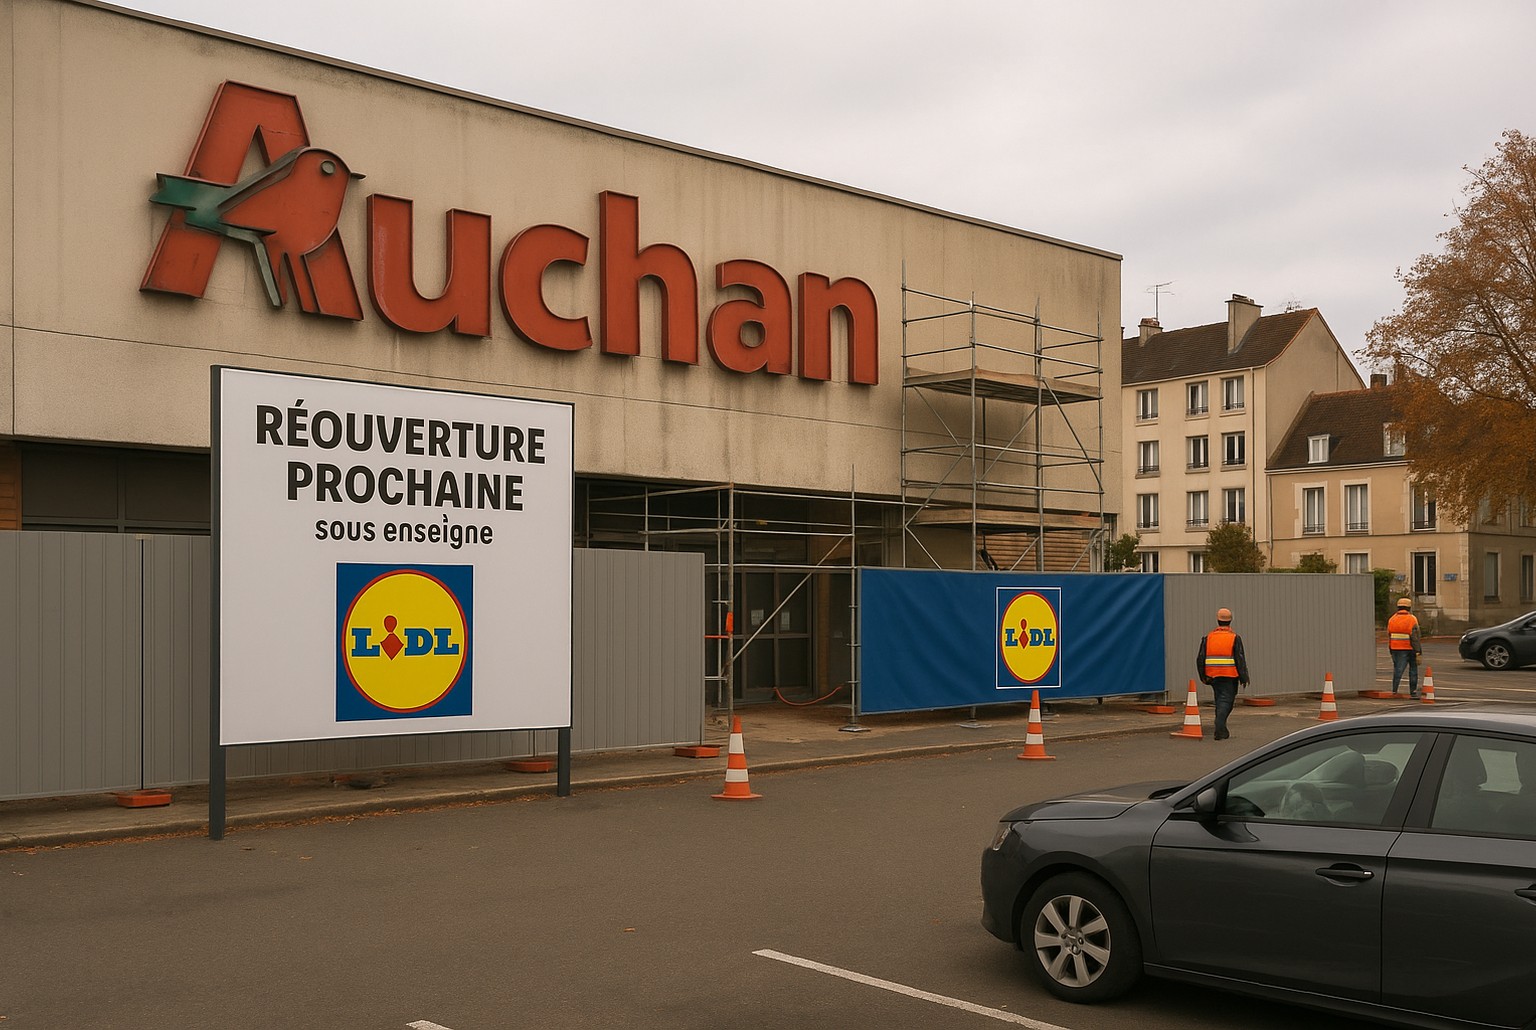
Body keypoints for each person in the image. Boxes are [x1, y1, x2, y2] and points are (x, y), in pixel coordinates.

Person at [1197, 607, 1250, 740]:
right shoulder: (1234, 638)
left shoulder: (1208, 637)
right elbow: (1240, 658)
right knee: (1226, 701)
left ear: (1217, 620)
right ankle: (1220, 726)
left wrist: (1203, 676)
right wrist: (1244, 677)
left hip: (1213, 675)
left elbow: (1200, 658)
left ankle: (1220, 730)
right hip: (1229, 675)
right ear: (1230, 621)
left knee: (1219, 700)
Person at [1387, 596, 1422, 698]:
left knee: (1398, 670)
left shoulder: (1392, 619)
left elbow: (1389, 635)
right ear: (1409, 608)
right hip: (1409, 648)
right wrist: (1418, 651)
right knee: (1413, 670)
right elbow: (1415, 637)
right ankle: (1413, 692)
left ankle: (1394, 690)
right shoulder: (1412, 619)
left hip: (1395, 648)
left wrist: (1391, 649)